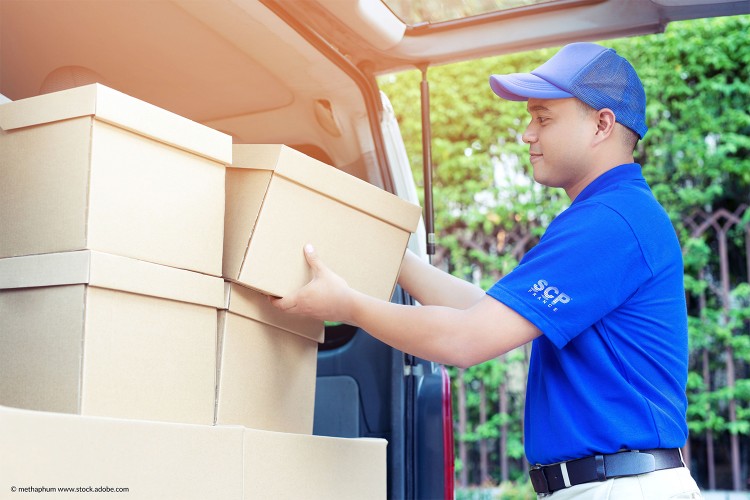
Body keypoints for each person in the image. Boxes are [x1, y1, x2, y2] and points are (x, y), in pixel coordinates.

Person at [271, 42, 701, 499]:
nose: (527, 134)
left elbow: (465, 339)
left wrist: (347, 305)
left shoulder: (610, 223)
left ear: (602, 124)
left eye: (543, 118)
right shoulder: (613, 214)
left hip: (619, 487)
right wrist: (393, 258)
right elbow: (485, 312)